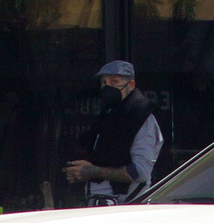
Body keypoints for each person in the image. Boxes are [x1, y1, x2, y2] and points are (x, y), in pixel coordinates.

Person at [64, 61, 163, 203]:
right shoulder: (108, 115)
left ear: (131, 85)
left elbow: (140, 172)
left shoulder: (142, 117)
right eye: (104, 82)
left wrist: (94, 171)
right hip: (100, 203)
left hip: (126, 206)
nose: (108, 87)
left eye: (114, 81)